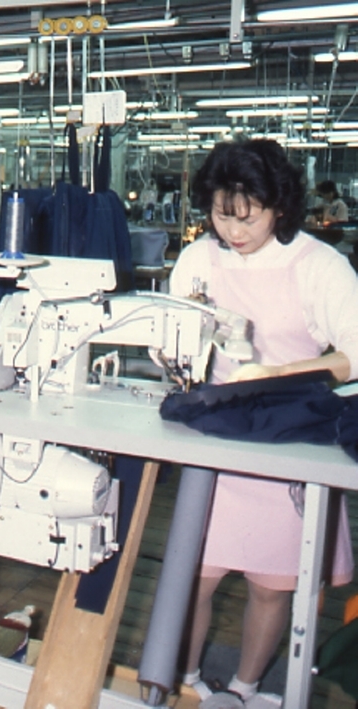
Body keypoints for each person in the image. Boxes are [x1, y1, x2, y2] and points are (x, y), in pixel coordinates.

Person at [168, 140, 358, 707]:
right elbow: (175, 331)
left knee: (273, 586)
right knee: (193, 578)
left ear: (279, 206)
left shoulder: (319, 267)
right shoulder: (199, 260)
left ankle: (247, 687)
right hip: (216, 438)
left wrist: (277, 371)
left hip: (289, 439)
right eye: (220, 216)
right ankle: (187, 681)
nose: (232, 231)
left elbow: (354, 354)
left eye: (247, 218)